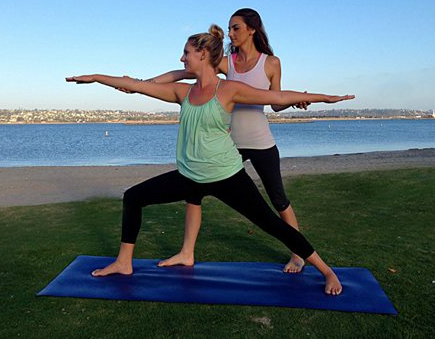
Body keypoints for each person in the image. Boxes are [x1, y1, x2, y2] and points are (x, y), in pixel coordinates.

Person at [66, 24, 354, 295]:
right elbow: (137, 85)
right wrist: (95, 78)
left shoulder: (228, 89)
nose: (182, 58)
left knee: (272, 224)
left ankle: (327, 272)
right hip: (190, 176)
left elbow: (277, 96)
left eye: (186, 53)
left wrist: (325, 98)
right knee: (133, 197)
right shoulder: (183, 92)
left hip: (226, 176)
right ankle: (124, 261)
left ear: (202, 54)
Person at [125, 8, 310, 273]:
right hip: (229, 143)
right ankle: (187, 253)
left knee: (278, 200)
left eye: (236, 28)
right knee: (194, 193)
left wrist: (296, 102)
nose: (231, 33)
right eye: (230, 28)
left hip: (260, 141)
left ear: (251, 30)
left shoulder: (271, 63)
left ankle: (297, 254)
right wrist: (142, 83)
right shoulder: (226, 62)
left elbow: (276, 102)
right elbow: (183, 74)